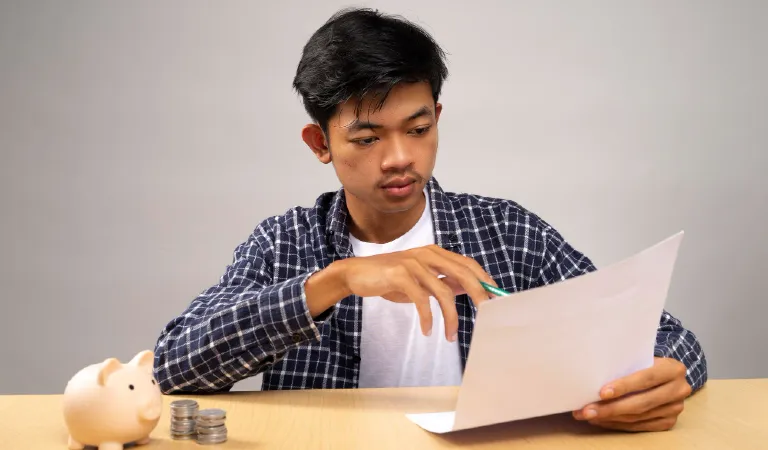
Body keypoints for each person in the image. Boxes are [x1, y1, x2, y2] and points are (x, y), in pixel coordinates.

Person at [152, 7, 707, 432]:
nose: (399, 158)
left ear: (437, 117)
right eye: (367, 138)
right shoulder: (283, 244)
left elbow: (670, 339)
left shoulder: (506, 233)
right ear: (319, 142)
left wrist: (659, 381)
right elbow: (171, 367)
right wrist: (336, 280)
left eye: (417, 130)